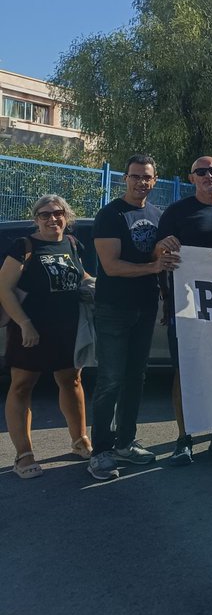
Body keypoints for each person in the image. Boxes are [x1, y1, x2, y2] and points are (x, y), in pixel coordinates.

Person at [87, 155, 179, 481]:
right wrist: (154, 266)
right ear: (125, 178)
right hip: (114, 308)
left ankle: (125, 442)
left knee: (135, 378)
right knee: (110, 380)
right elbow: (111, 266)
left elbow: (159, 257)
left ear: (155, 180)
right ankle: (100, 451)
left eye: (147, 177)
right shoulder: (110, 215)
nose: (141, 182)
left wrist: (162, 270)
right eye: (135, 176)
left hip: (145, 307)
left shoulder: (157, 215)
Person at [1, 195, 92, 478]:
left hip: (67, 328)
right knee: (21, 386)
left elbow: (80, 275)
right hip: (31, 330)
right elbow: (4, 288)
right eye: (45, 214)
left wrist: (93, 283)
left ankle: (80, 440)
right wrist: (24, 323)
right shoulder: (24, 246)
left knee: (72, 381)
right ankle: (24, 455)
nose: (52, 219)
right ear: (36, 219)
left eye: (58, 213)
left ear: (67, 216)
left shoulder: (72, 243)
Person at [155, 155, 212, 466]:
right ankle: (184, 438)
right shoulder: (176, 212)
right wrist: (163, 246)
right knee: (184, 372)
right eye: (201, 171)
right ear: (191, 178)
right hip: (185, 307)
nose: (208, 175)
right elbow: (158, 252)